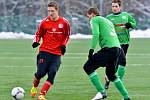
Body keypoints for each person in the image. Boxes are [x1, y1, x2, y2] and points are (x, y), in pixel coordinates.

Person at [83, 7, 131, 100]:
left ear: (92, 14)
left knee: (87, 67)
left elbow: (96, 34)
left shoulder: (95, 19)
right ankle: (126, 97)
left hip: (109, 49)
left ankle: (102, 92)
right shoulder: (107, 21)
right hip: (117, 49)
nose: (89, 19)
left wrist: (91, 50)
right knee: (111, 75)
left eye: (89, 16)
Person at [30, 1, 70, 100]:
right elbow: (38, 34)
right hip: (44, 52)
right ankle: (34, 87)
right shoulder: (44, 22)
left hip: (56, 54)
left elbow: (67, 36)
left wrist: (63, 45)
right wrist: (36, 41)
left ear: (57, 10)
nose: (50, 13)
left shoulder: (65, 22)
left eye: (52, 11)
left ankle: (42, 95)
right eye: (48, 11)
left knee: (52, 73)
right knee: (40, 73)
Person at [105, 0, 136, 89]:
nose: (114, 8)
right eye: (113, 6)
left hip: (125, 43)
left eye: (116, 6)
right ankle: (119, 82)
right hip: (114, 43)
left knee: (117, 63)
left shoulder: (126, 15)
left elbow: (134, 24)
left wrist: (129, 24)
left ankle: (108, 78)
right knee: (122, 62)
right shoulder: (108, 18)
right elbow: (105, 29)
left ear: (120, 7)